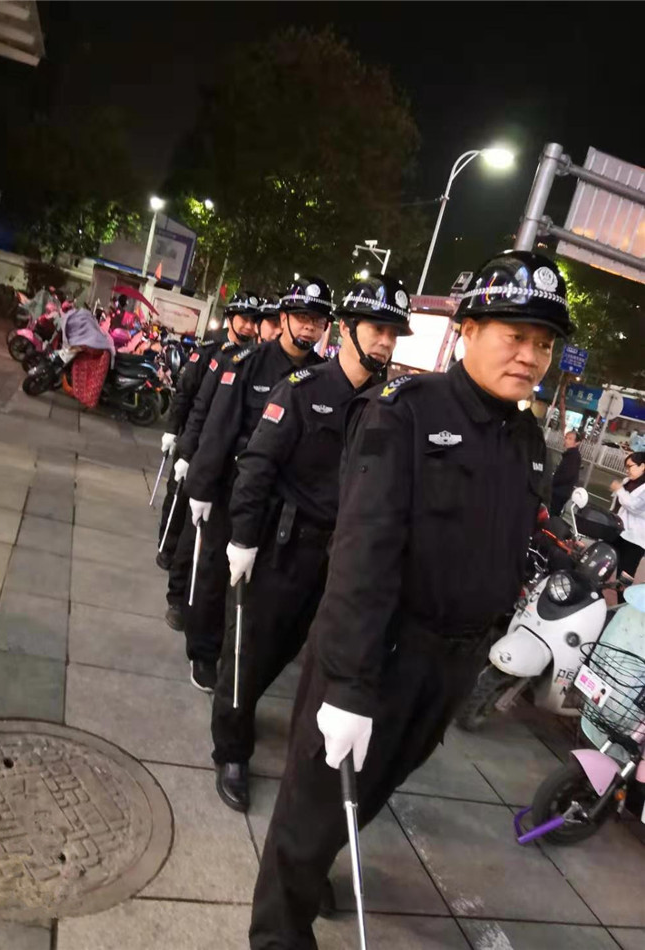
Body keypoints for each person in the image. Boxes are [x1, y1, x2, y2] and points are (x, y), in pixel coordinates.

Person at [248, 250, 573, 949]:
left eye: (544, 344)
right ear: (468, 329)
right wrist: (347, 685)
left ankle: (310, 871)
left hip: (451, 664)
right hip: (383, 652)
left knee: (369, 792)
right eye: (515, 335)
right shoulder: (406, 414)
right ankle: (278, 930)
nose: (530, 356)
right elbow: (362, 555)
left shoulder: (525, 439)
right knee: (311, 807)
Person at [212, 275, 412, 812]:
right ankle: (231, 749)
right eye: (376, 329)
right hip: (284, 549)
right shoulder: (302, 389)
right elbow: (257, 466)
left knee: (295, 657)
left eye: (394, 334)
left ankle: (257, 722)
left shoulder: (389, 406)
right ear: (345, 329)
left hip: (340, 560)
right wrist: (243, 539)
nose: (385, 343)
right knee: (247, 653)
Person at [182, 276, 331, 691]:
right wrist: (201, 487)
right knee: (216, 572)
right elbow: (219, 428)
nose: (309, 327)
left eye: (317, 321)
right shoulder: (248, 363)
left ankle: (237, 657)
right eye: (302, 317)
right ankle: (204, 651)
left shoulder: (323, 375)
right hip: (234, 487)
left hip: (282, 506)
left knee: (254, 587)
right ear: (283, 318)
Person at [156, 292, 260, 572]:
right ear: (230, 318)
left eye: (253, 321)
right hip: (194, 433)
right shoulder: (212, 349)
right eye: (243, 319)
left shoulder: (254, 357)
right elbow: (187, 392)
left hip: (219, 441)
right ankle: (167, 547)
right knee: (178, 495)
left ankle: (185, 556)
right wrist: (173, 431)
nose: (249, 326)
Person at [610, 452, 645, 581]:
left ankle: (622, 594)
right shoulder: (626, 481)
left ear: (642, 466)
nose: (627, 470)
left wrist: (619, 490)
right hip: (618, 531)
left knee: (624, 575)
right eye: (626, 467)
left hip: (634, 539)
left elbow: (634, 506)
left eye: (630, 466)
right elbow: (617, 504)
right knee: (603, 561)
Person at [550, 429, 582, 515]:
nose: (567, 440)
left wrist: (553, 481)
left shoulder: (573, 456)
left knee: (552, 513)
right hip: (560, 491)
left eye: (570, 439)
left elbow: (568, 475)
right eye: (566, 438)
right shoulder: (569, 454)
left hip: (560, 491)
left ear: (577, 443)